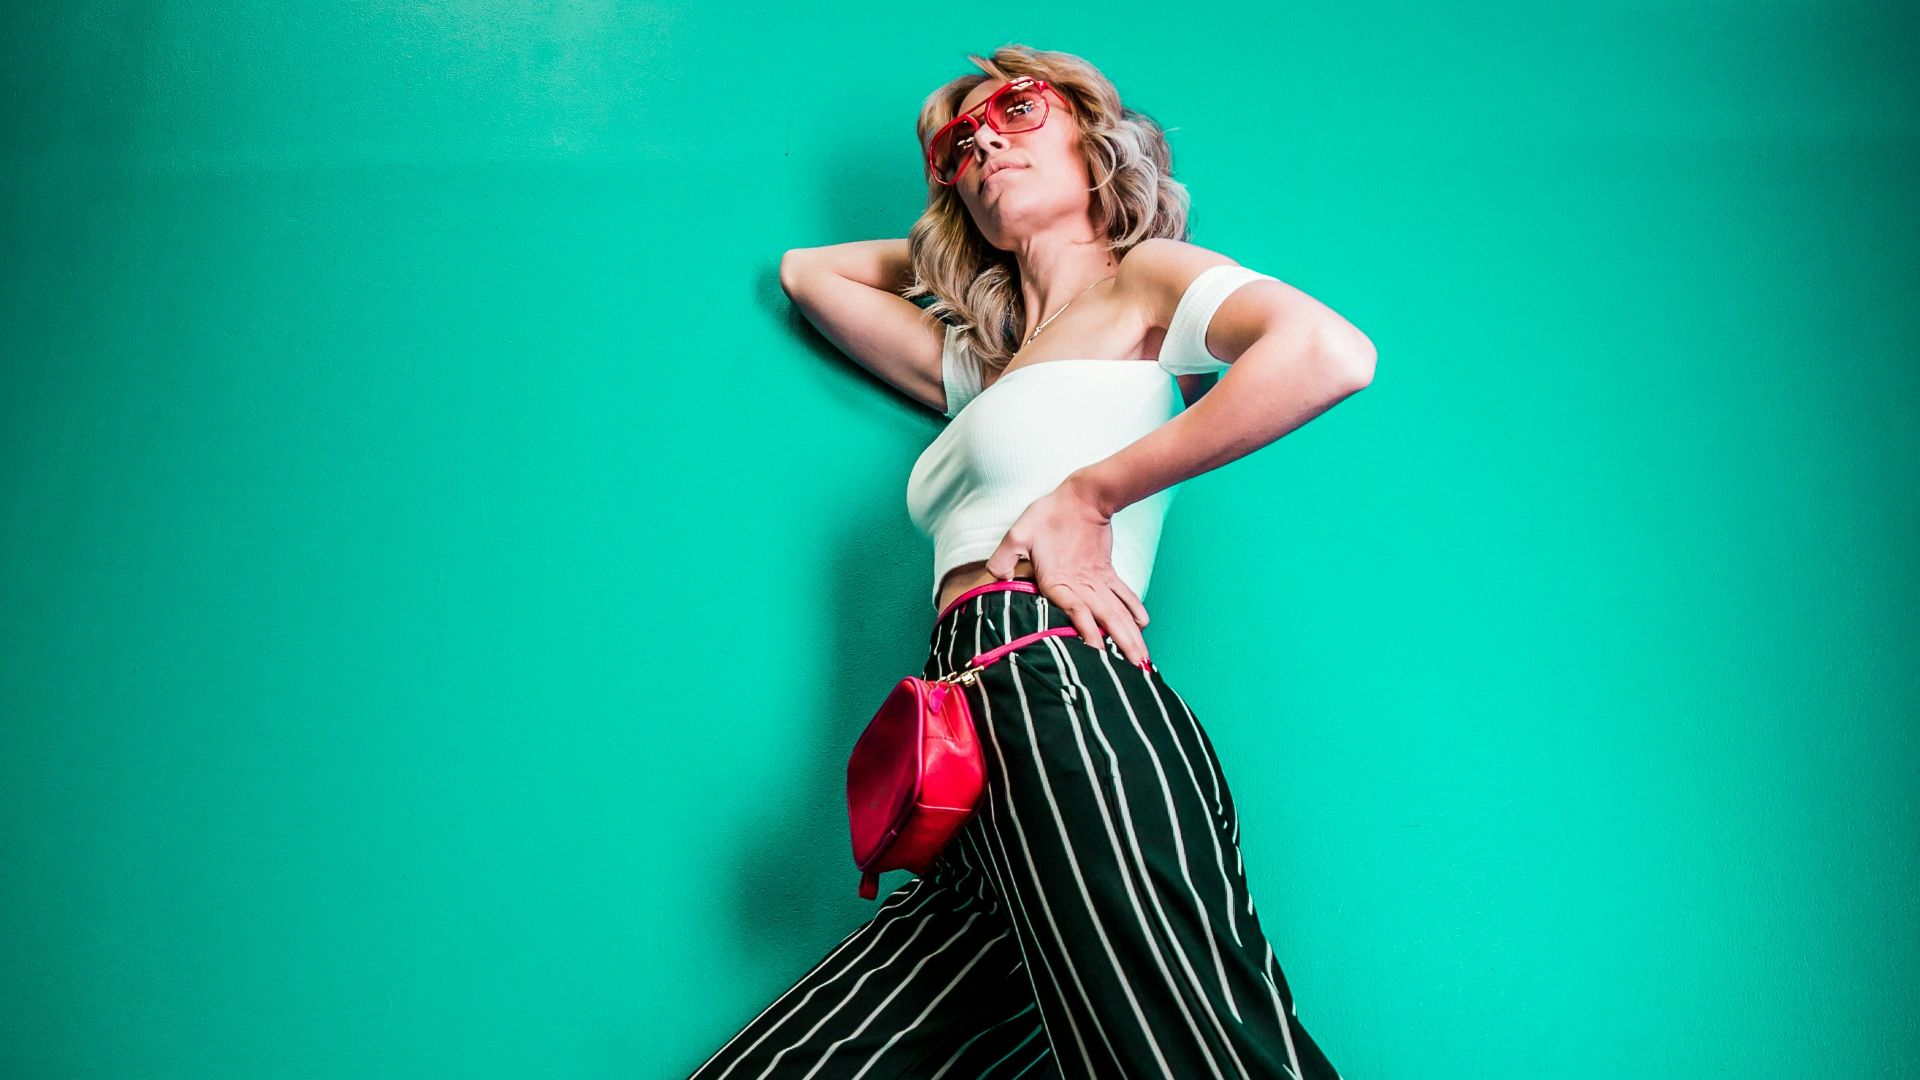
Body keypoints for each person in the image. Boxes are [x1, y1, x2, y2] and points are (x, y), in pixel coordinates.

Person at [692, 44, 1373, 1080]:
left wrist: (1089, 494)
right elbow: (808, 275)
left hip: (1062, 687)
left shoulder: (1143, 283)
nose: (982, 142)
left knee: (1185, 1050)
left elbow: (1329, 353)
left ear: (1097, 137)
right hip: (962, 749)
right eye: (956, 146)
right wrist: (960, 233)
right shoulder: (988, 367)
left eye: (1018, 110)